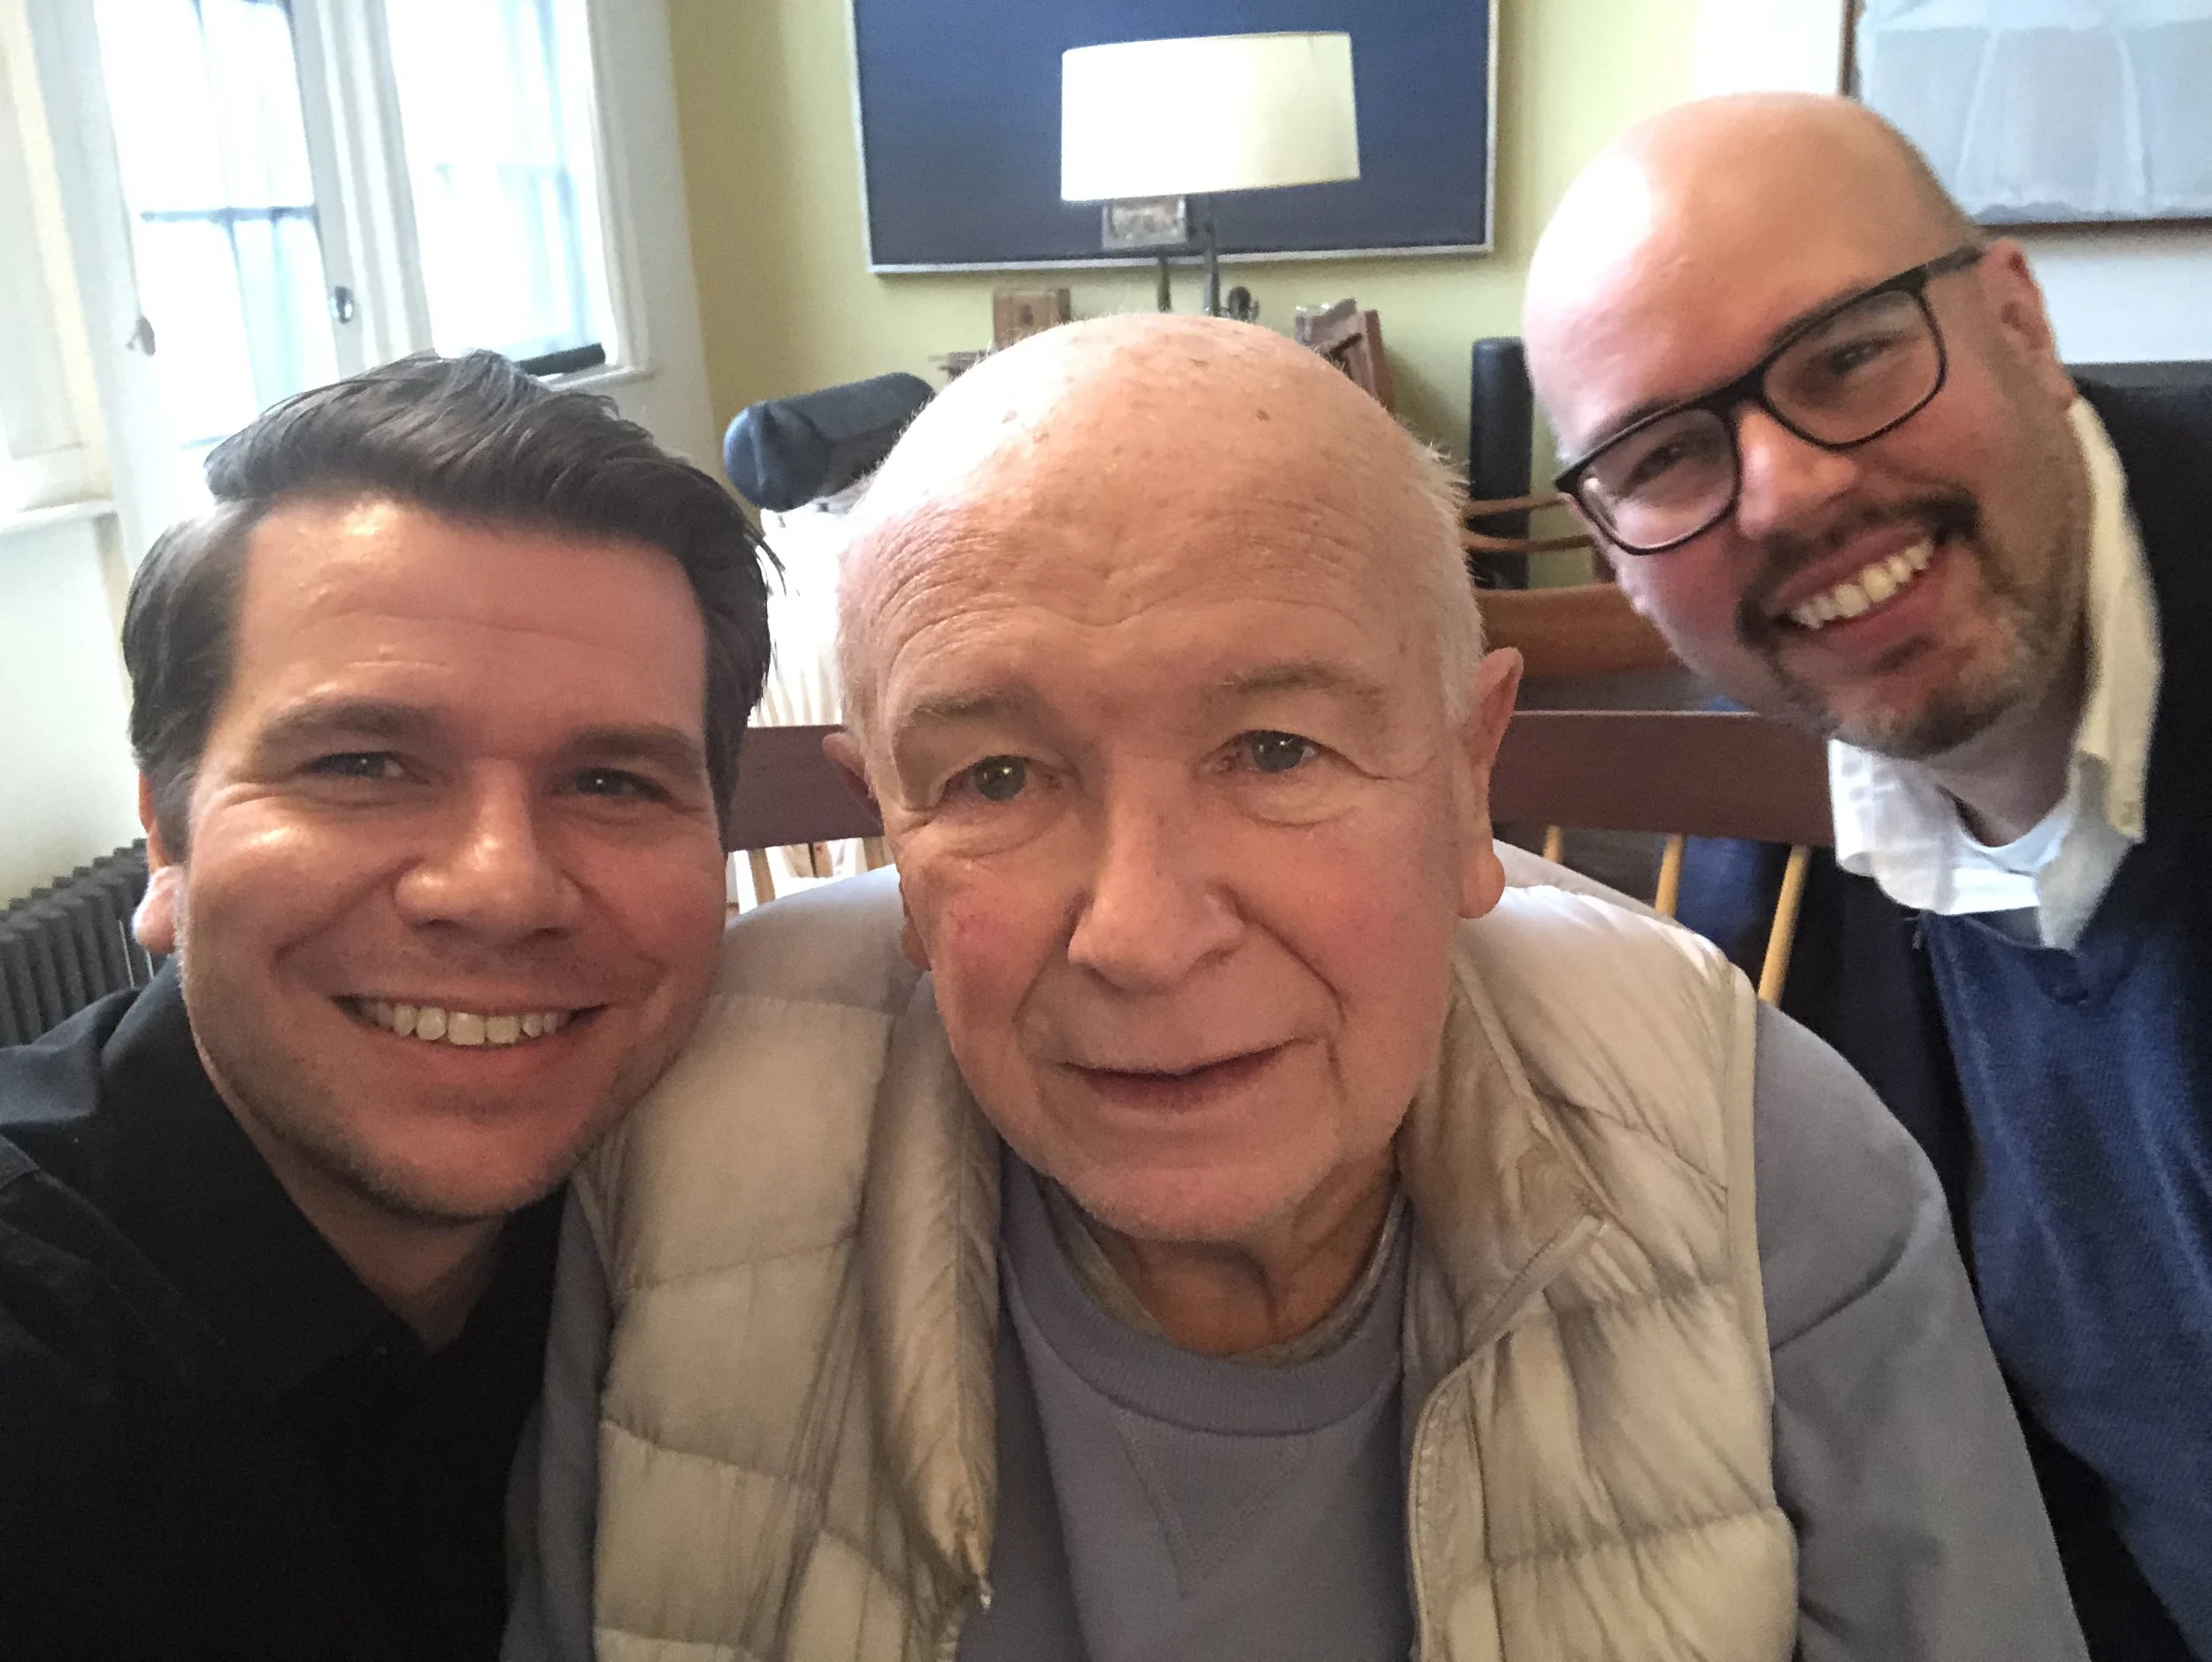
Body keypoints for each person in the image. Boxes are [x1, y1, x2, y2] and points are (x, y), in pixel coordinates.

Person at [507, 313, 2085, 1662]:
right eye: (994, 775)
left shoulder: (1769, 1167)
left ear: (1470, 781)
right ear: (893, 837)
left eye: (1276, 750)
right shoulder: (687, 1154)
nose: (1141, 931)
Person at [1521, 93, 2212, 1659]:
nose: (1787, 489)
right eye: (1665, 453)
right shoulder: (1758, 886)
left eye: (1847, 356)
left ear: (2019, 323)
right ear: (1621, 563)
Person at [0, 351, 772, 1661]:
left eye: (613, 784)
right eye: (361, 762)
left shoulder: (735, 1223)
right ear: (165, 843)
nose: (500, 887)